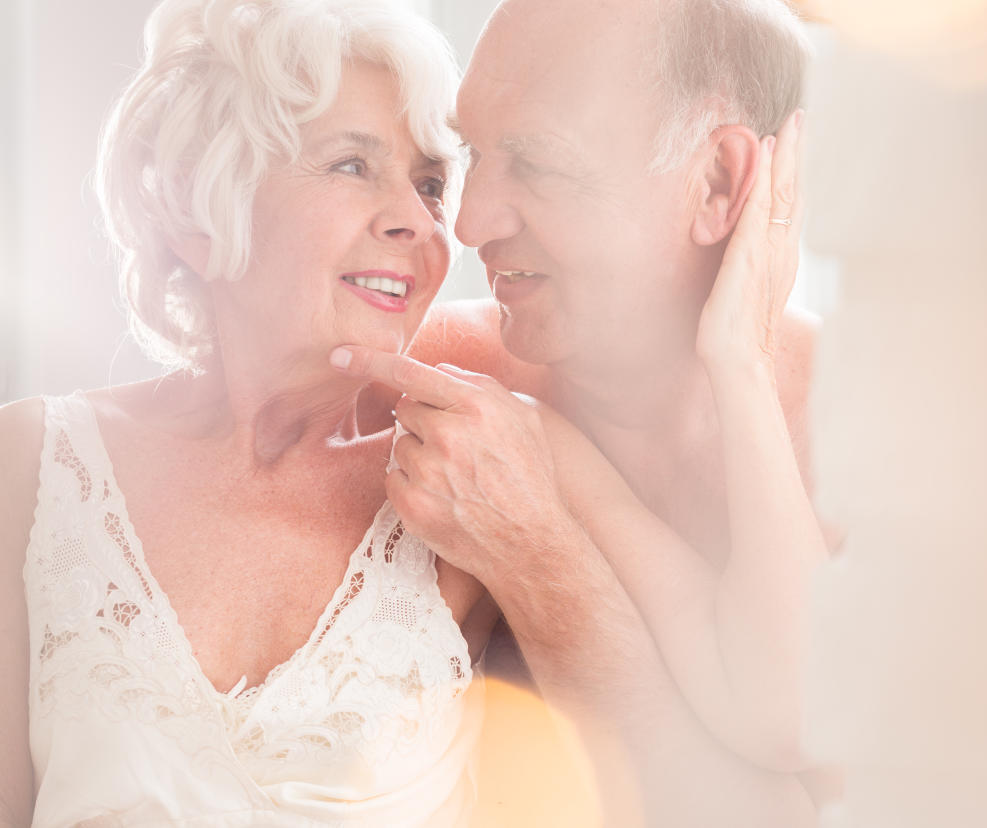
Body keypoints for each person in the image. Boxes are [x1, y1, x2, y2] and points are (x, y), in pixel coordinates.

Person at [333, 0, 834, 820]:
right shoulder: (438, 382)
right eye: (474, 153)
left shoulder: (872, 439)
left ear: (716, 184)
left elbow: (799, 744)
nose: (466, 224)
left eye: (538, 162)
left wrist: (739, 366)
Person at [0, 0, 494, 824]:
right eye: (350, 165)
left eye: (432, 183)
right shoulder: (30, 464)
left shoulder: (468, 491)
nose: (417, 219)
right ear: (200, 209)